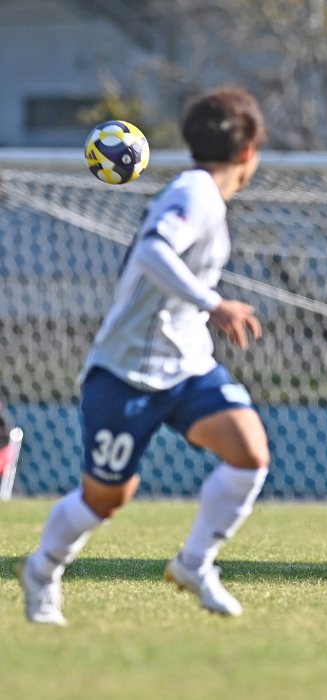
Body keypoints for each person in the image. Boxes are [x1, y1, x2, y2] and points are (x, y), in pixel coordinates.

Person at [17, 86, 270, 623]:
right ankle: (41, 570)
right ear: (249, 151)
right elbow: (154, 248)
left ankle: (194, 563)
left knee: (250, 453)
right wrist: (214, 303)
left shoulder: (205, 196)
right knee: (105, 499)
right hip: (125, 372)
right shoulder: (195, 192)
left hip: (187, 366)